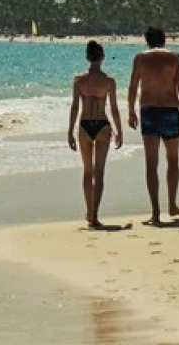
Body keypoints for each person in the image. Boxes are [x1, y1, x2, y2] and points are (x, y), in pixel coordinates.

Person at [127, 26, 179, 225]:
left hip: (148, 111)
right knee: (172, 160)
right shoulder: (175, 58)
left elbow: (133, 86)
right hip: (169, 111)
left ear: (147, 41)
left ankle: (156, 212)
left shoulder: (140, 58)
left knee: (151, 163)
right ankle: (172, 205)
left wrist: (130, 111)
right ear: (164, 40)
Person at [68, 39, 122, 228]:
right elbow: (114, 108)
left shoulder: (79, 80)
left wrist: (70, 131)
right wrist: (119, 130)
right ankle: (95, 215)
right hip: (102, 125)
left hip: (84, 125)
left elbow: (75, 107)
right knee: (99, 172)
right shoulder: (109, 81)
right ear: (102, 57)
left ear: (87, 57)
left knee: (87, 171)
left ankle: (89, 211)